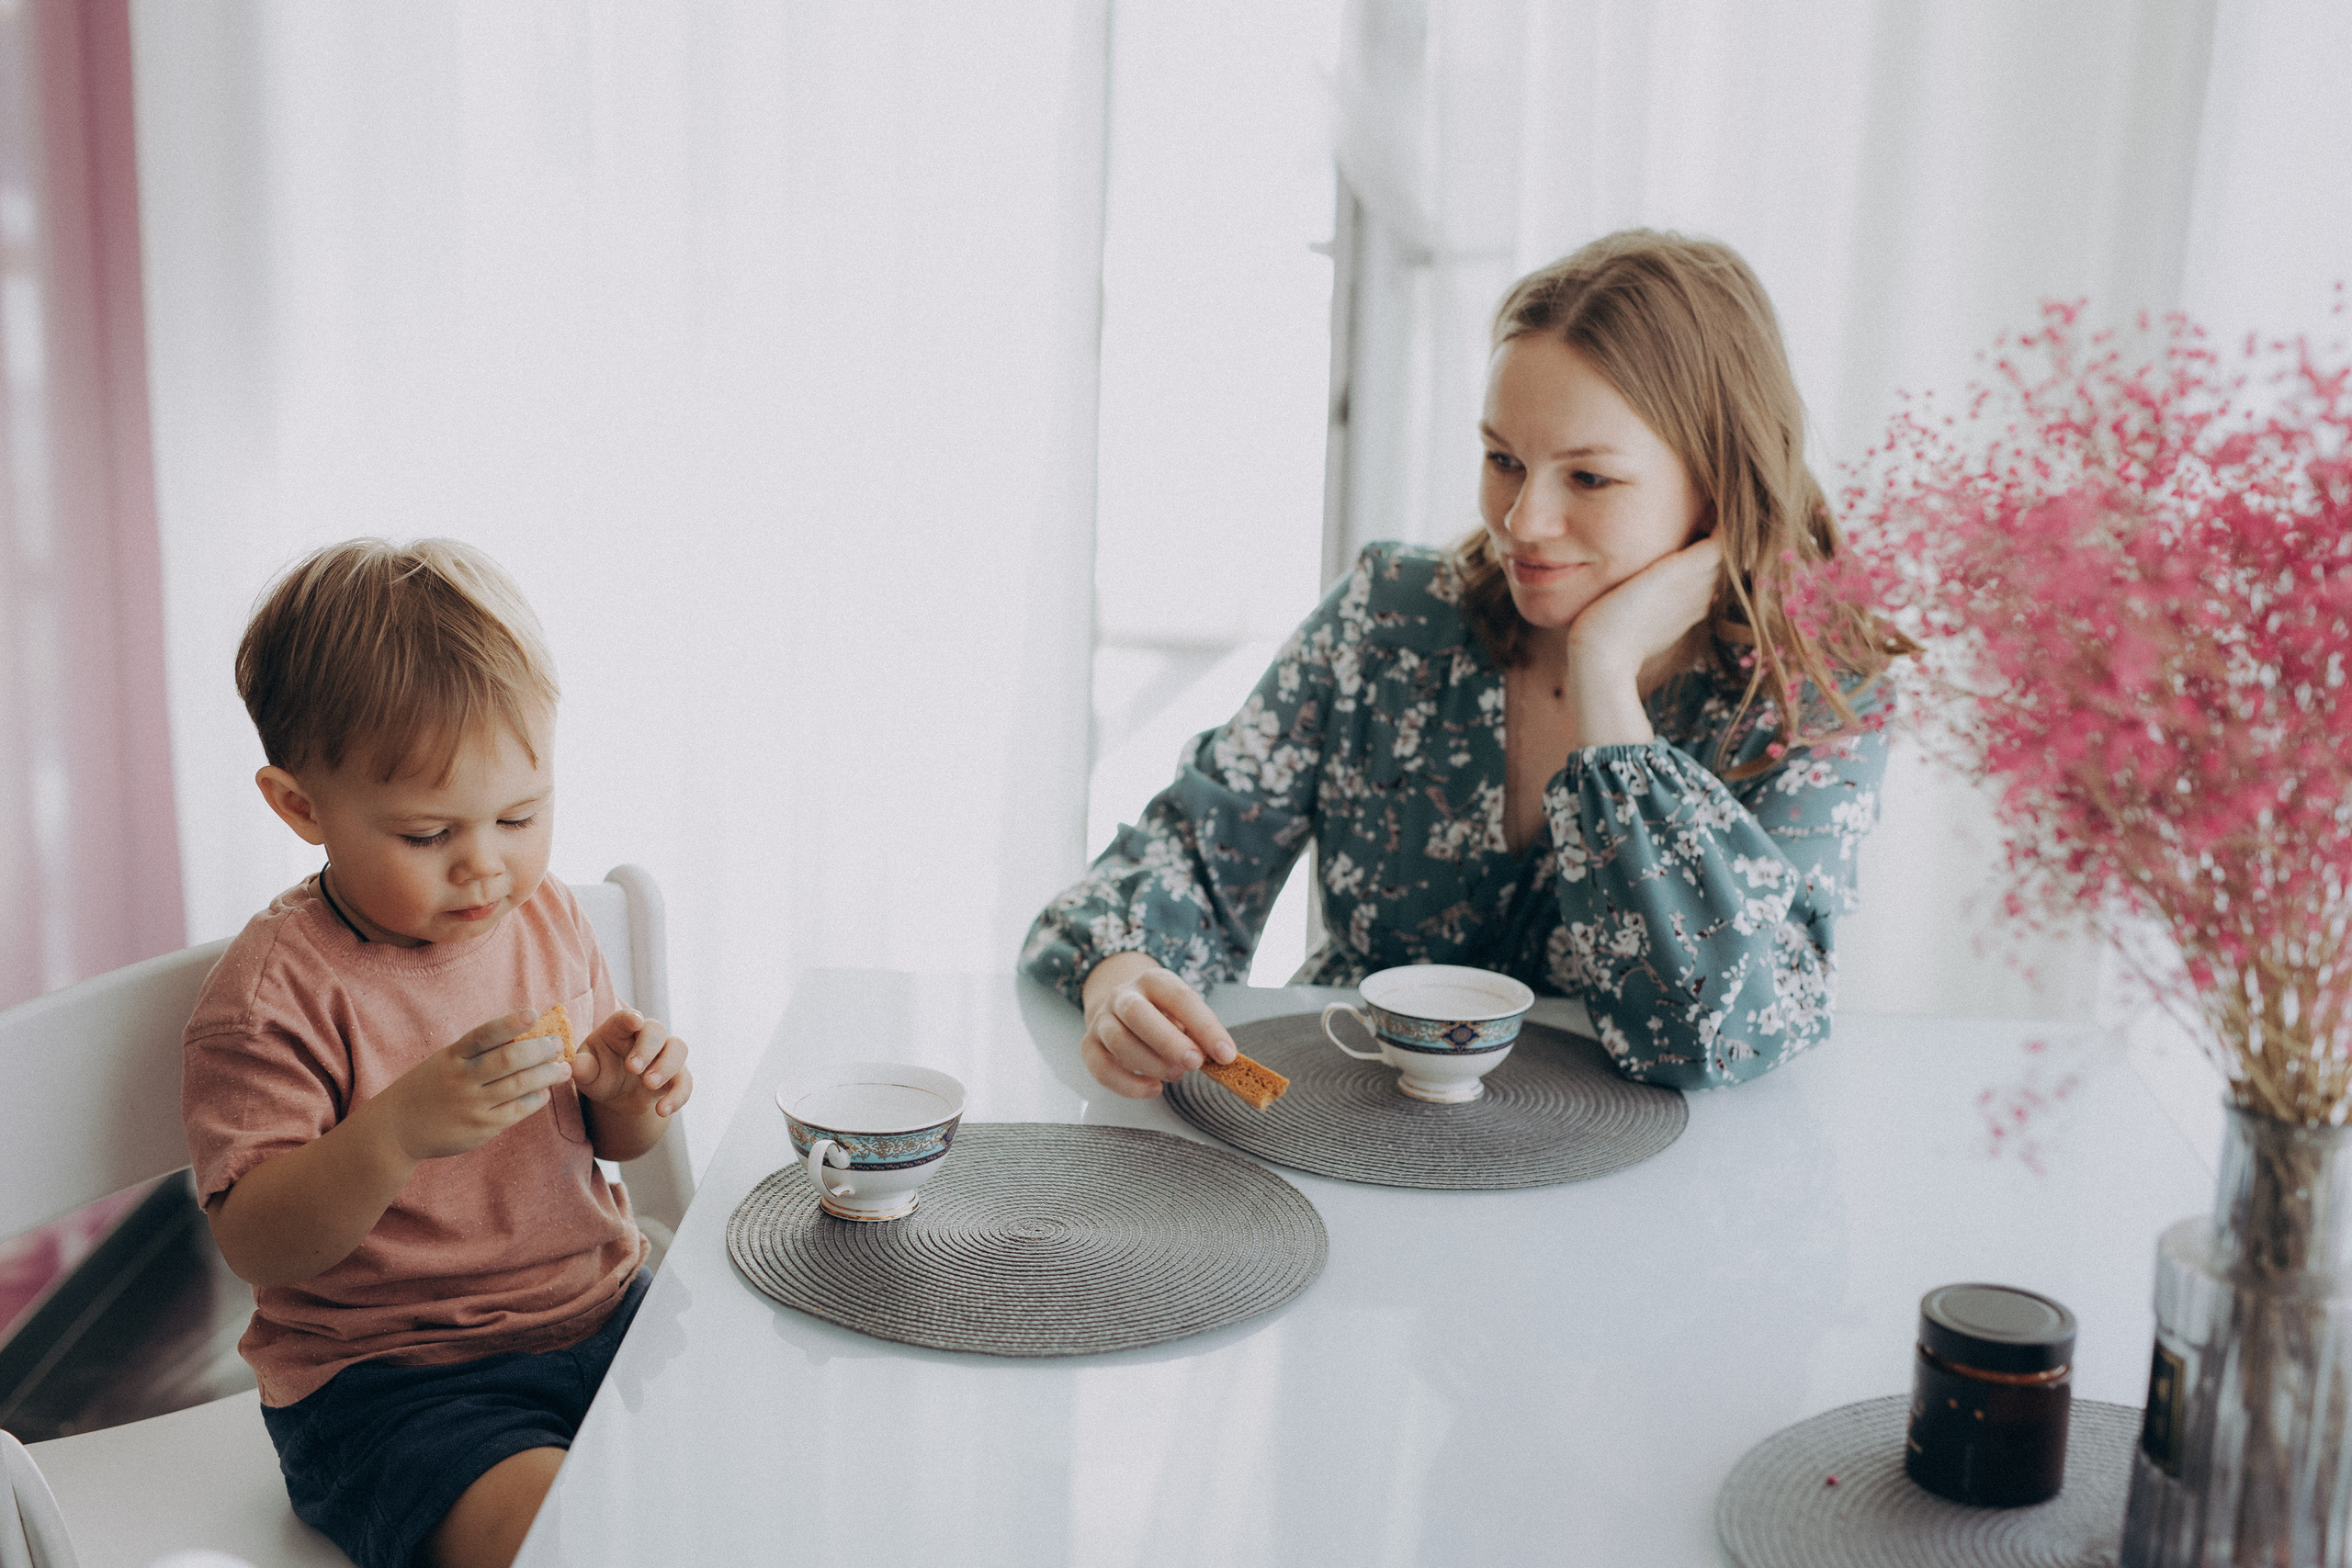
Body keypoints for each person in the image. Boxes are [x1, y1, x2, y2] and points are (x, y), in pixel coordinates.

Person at [1023, 229, 1910, 1097]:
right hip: (1340, 1135)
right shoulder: (1388, 620)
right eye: (1503, 460)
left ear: (1717, 485)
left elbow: (1722, 1033)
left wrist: (1604, 675)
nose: (1524, 520)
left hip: (1635, 1202)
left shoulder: (1811, 699)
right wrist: (1122, 972)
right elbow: (1181, 859)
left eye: (1589, 479)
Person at [181, 539, 694, 1568]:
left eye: (519, 816)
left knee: (763, 1444)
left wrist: (634, 1093)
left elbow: (614, 1144)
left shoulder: (546, 918)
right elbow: (259, 1245)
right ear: (300, 806)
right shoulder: (277, 996)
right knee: (563, 1534)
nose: (485, 866)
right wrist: (399, 1130)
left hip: (602, 1309)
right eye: (426, 835)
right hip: (396, 1383)